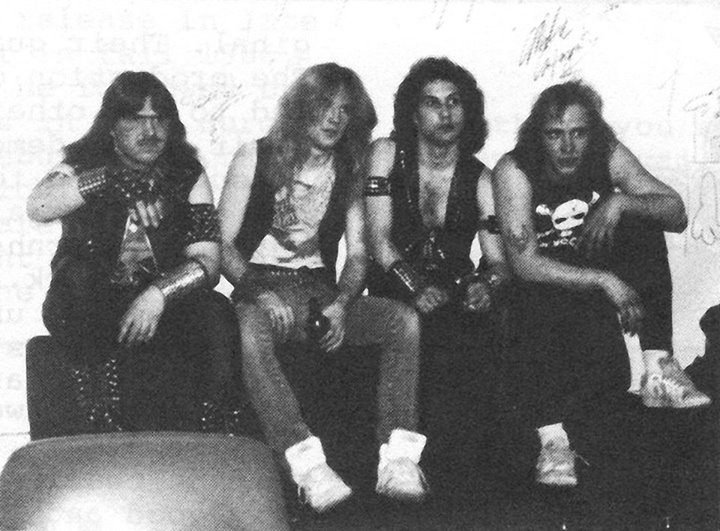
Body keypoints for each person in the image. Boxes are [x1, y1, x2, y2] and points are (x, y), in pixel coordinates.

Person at [218, 63, 427, 513]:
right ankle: (307, 465)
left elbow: (358, 255)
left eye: (345, 109)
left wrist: (342, 304)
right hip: (260, 287)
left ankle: (398, 459)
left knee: (402, 320)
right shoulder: (254, 155)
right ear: (300, 107)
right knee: (248, 329)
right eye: (324, 105)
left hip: (320, 292)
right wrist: (256, 291)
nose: (334, 117)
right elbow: (222, 244)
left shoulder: (349, 170)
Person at [492, 80, 708, 487]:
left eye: (579, 133)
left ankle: (657, 368)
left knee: (643, 223)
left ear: (593, 133)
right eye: (555, 135)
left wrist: (620, 201)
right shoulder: (515, 169)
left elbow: (677, 213)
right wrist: (604, 280)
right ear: (538, 136)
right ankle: (552, 443)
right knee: (527, 294)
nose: (568, 147)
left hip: (589, 278)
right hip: (542, 285)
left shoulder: (606, 152)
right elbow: (524, 264)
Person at [26, 71, 243, 435]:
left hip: (157, 303)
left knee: (217, 310)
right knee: (77, 279)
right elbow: (38, 206)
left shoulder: (186, 174)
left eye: (159, 119)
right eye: (136, 119)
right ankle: (101, 414)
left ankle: (217, 429)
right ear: (111, 126)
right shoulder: (82, 165)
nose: (150, 131)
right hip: (90, 304)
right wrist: (110, 179)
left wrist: (159, 294)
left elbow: (209, 262)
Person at [364, 57, 509, 497]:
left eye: (454, 102)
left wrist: (486, 285)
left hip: (452, 293)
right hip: (393, 289)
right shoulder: (386, 154)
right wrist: (414, 287)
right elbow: (377, 240)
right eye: (432, 103)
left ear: (468, 111)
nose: (445, 113)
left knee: (490, 329)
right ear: (413, 113)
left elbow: (498, 261)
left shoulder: (481, 179)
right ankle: (399, 465)